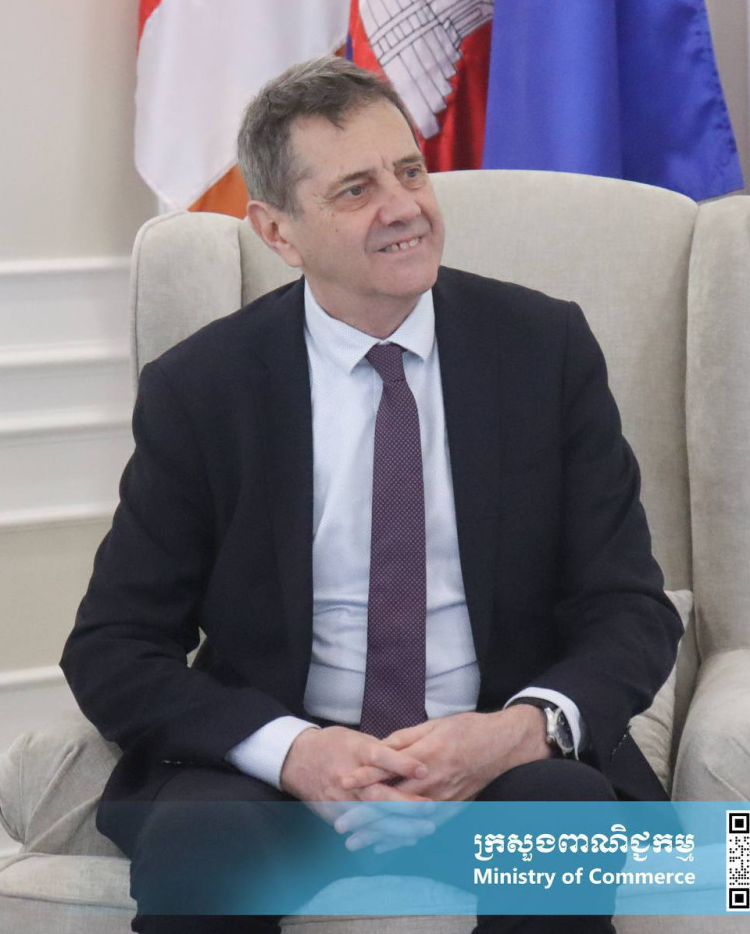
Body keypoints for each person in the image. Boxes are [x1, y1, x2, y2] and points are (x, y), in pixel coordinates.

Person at [61, 56, 684, 934]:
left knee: (565, 817)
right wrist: (294, 753)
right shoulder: (203, 388)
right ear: (278, 232)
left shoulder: (543, 349)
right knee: (202, 842)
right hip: (285, 782)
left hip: (499, 763)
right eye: (356, 190)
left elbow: (630, 608)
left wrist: (516, 732)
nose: (404, 207)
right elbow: (114, 646)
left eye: (410, 172)